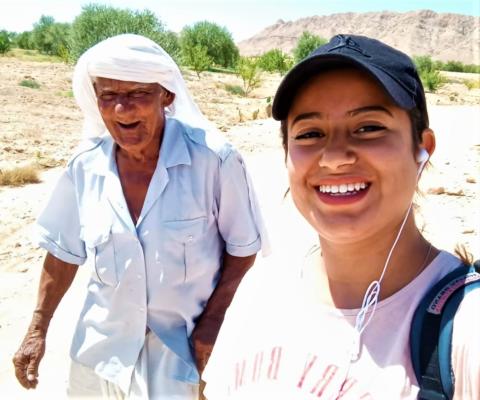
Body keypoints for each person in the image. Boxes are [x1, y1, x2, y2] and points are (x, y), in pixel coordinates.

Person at [202, 34, 480, 399]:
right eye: (310, 133)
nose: (334, 157)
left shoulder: (466, 330)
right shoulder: (262, 290)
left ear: (422, 149)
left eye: (369, 128)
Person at [12, 34, 269, 399]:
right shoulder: (84, 167)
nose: (122, 110)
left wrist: (213, 323)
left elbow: (242, 248)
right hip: (98, 352)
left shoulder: (215, 160)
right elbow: (62, 251)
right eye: (109, 96)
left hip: (180, 352)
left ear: (167, 96)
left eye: (138, 94)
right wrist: (37, 329)